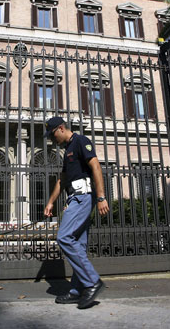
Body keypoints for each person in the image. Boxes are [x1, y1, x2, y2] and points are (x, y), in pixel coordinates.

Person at [43, 116, 110, 309]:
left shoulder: (81, 141)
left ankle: (92, 282)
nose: (52, 139)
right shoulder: (68, 151)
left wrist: (101, 197)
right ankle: (77, 290)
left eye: (53, 134)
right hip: (74, 198)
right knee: (78, 246)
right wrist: (50, 202)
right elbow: (61, 180)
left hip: (83, 197)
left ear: (61, 128)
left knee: (64, 237)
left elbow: (95, 166)